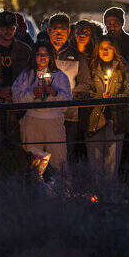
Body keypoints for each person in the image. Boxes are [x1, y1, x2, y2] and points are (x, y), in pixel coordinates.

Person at [13, 41, 73, 181]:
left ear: (51, 57)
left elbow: (67, 103)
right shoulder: (27, 75)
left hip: (53, 121)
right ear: (34, 56)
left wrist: (55, 93)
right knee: (33, 160)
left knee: (59, 159)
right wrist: (32, 93)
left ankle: (62, 191)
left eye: (46, 55)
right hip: (32, 121)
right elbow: (17, 99)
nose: (42, 58)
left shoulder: (60, 76)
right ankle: (33, 191)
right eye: (39, 54)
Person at [85, 37, 129, 177]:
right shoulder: (91, 67)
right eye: (101, 48)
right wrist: (99, 98)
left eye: (108, 48)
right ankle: (97, 196)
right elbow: (86, 91)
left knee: (112, 164)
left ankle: (110, 195)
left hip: (116, 119)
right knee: (95, 163)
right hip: (94, 119)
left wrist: (113, 99)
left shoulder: (122, 67)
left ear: (114, 50)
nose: (105, 51)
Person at [46, 14, 90, 163]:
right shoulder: (40, 54)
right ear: (48, 31)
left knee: (65, 155)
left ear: (69, 31)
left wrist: (66, 95)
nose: (59, 35)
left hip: (69, 115)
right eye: (55, 31)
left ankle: (64, 184)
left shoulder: (78, 57)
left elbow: (85, 83)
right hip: (43, 113)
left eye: (63, 31)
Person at [0, 11, 32, 135]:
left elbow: (30, 76)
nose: (8, 31)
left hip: (18, 104)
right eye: (4, 27)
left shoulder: (25, 50)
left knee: (17, 141)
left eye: (11, 28)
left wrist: (14, 91)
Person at [103, 7, 129, 78]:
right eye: (109, 24)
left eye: (115, 24)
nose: (112, 27)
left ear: (122, 23)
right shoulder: (101, 43)